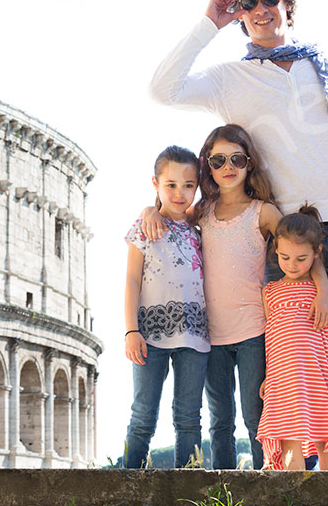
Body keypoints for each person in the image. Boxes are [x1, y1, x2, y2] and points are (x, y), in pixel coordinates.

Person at [149, 0, 328, 470]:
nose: (261, 9)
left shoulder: (324, 67)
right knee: (283, 361)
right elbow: (163, 89)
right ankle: (292, 471)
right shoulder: (228, 79)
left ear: (287, 3)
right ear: (238, 13)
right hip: (282, 239)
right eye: (248, 2)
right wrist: (209, 23)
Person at [191, 124, 328, 470]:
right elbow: (168, 215)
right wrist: (151, 211)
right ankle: (224, 487)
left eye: (237, 159)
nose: (228, 167)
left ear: (249, 163)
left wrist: (324, 291)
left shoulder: (263, 212)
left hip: (255, 330)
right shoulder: (201, 211)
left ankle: (264, 484)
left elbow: (300, 247)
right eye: (218, 160)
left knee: (257, 415)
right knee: (220, 418)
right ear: (207, 165)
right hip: (212, 334)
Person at [122, 146, 210, 468]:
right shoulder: (144, 227)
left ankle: (188, 488)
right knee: (143, 413)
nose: (180, 192)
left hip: (195, 336)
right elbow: (132, 281)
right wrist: (131, 330)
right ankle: (127, 486)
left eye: (188, 185)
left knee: (189, 417)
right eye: (170, 184)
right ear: (155, 184)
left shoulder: (200, 231)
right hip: (150, 335)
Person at [257, 205, 328, 470]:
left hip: (321, 375)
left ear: (316, 253)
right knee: (288, 436)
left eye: (301, 258)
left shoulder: (327, 291)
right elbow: (272, 338)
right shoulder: (270, 292)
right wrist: (269, 375)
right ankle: (293, 497)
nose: (292, 265)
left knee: (327, 434)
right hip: (285, 379)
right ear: (276, 251)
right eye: (285, 257)